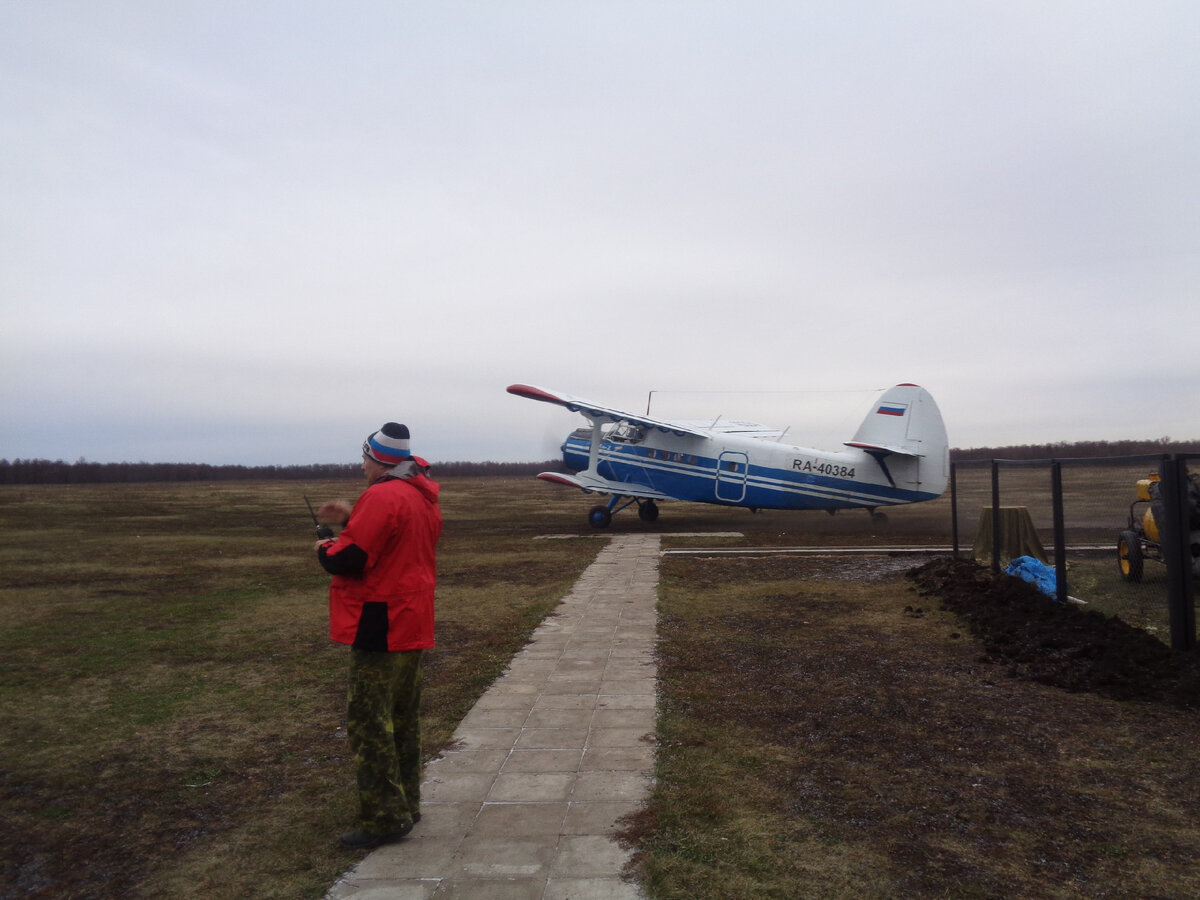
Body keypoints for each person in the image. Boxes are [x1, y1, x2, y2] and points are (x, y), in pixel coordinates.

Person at [314, 422, 442, 850]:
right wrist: (354, 518)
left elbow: (350, 559)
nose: (362, 466)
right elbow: (394, 539)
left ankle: (385, 818)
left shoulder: (382, 495)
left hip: (380, 622)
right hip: (413, 619)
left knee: (369, 723)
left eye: (364, 458)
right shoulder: (419, 494)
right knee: (403, 718)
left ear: (377, 459)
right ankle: (407, 802)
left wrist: (325, 549)